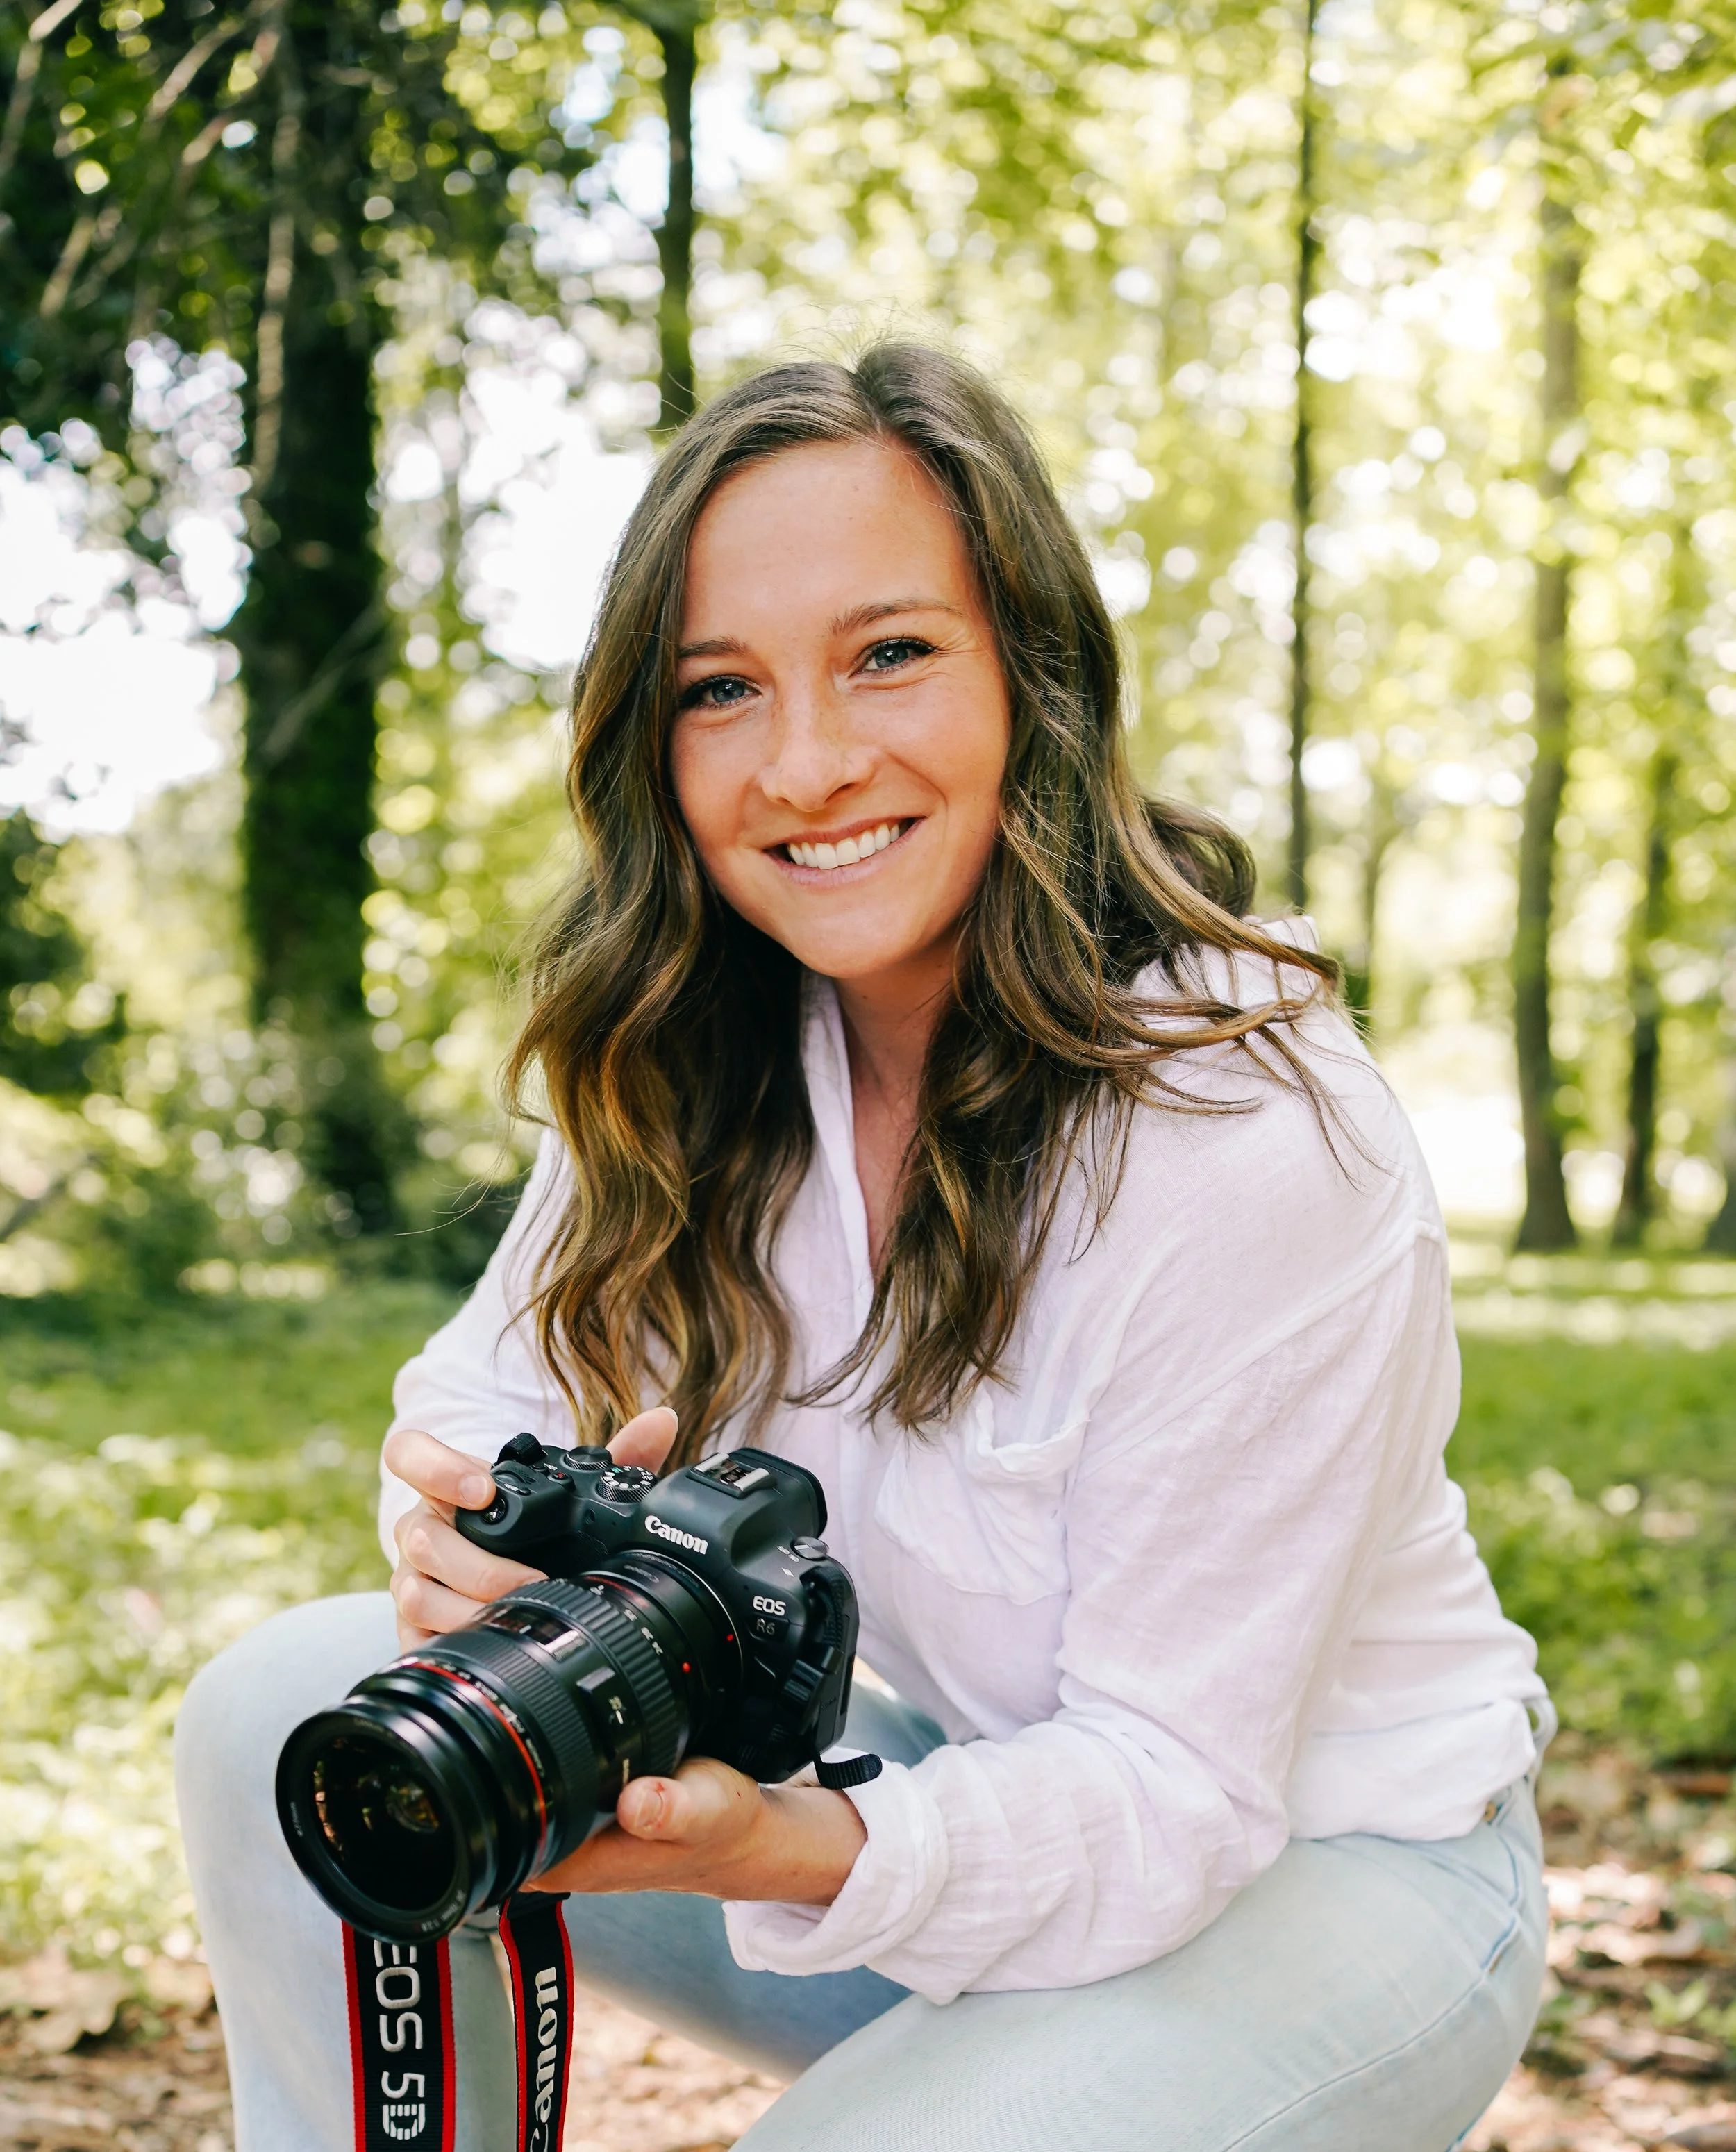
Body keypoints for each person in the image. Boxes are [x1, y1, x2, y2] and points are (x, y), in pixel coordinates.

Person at [176, 342, 1551, 2152]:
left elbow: (1172, 1788)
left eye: (888, 653)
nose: (807, 765)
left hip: (1326, 1870)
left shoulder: (1242, 1119)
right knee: (290, 1716)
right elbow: (473, 1403)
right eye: (719, 689)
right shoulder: (698, 1061)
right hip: (965, 1811)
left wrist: (787, 1839)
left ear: (1029, 676)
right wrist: (470, 1543)